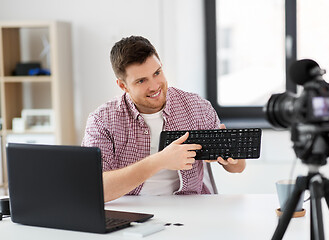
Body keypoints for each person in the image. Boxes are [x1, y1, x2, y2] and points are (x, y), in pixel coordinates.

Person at [82, 36, 246, 202]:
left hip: (191, 208)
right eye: (141, 81)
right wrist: (159, 161)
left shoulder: (196, 106)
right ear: (123, 86)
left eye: (157, 73)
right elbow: (95, 189)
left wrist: (230, 158)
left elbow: (238, 167)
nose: (154, 86)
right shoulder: (101, 121)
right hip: (132, 209)